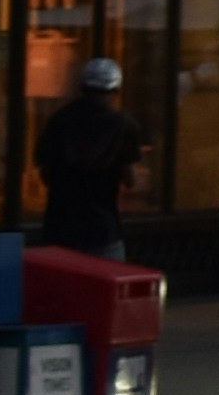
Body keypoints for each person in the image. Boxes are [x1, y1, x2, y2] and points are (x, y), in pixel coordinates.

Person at [36, 58, 143, 258]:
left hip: (61, 226)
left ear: (82, 86)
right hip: (103, 228)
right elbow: (130, 180)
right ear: (115, 90)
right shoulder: (124, 126)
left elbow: (46, 174)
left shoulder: (60, 120)